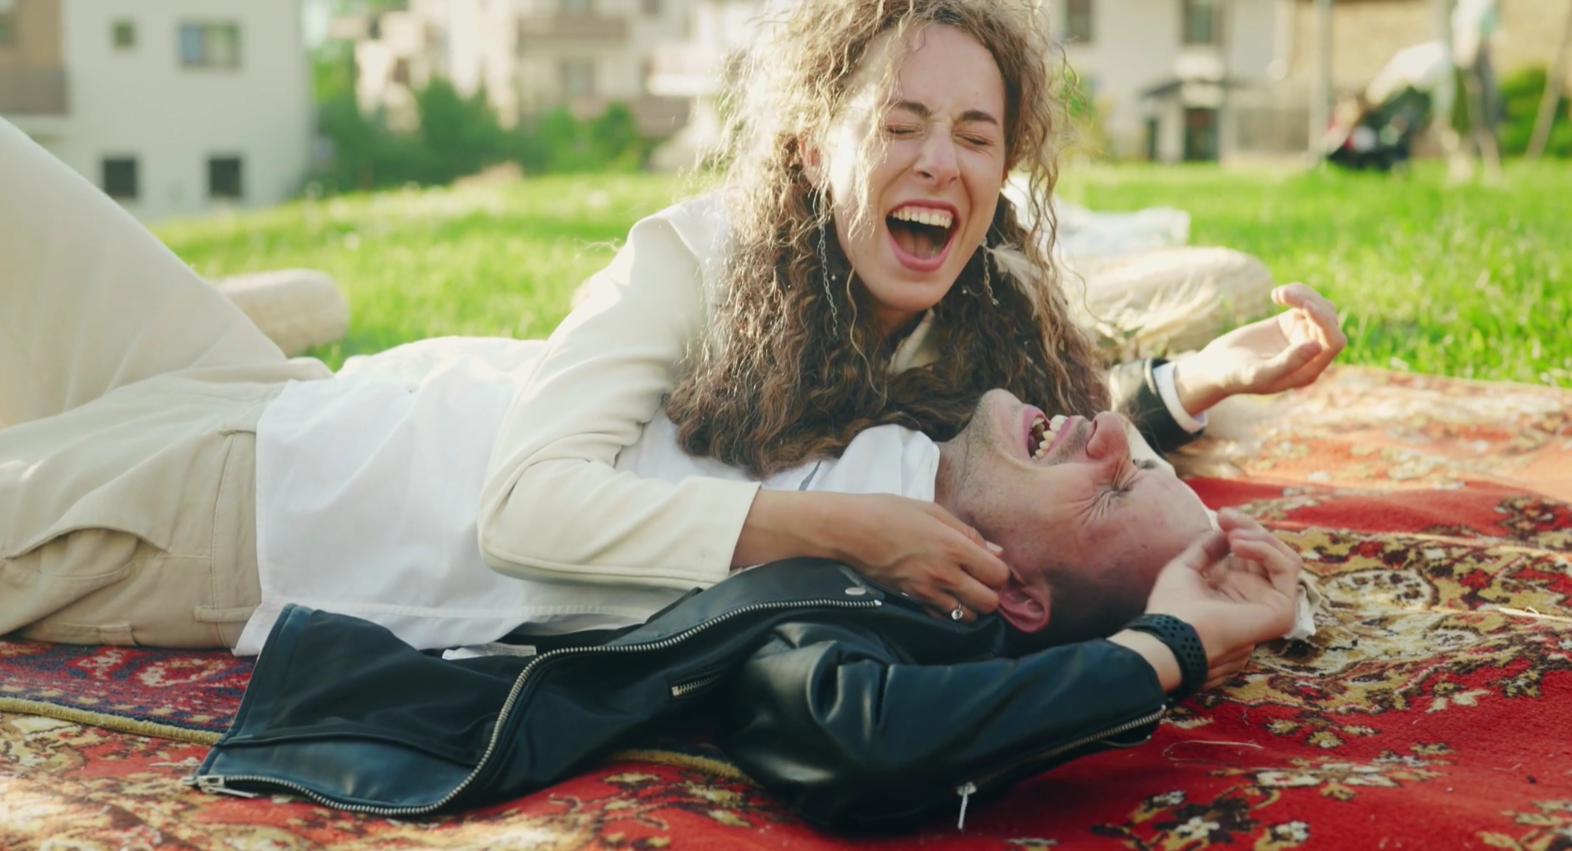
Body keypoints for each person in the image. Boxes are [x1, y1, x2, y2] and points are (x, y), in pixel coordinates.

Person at [190, 389, 1303, 832]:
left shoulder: (887, 600)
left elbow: (866, 738)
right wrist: (1184, 391)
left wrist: (1165, 645)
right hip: (295, 383)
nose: (1106, 431)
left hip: (247, 497)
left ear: (1012, 591)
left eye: (1113, 484)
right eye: (1137, 453)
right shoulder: (935, 414)